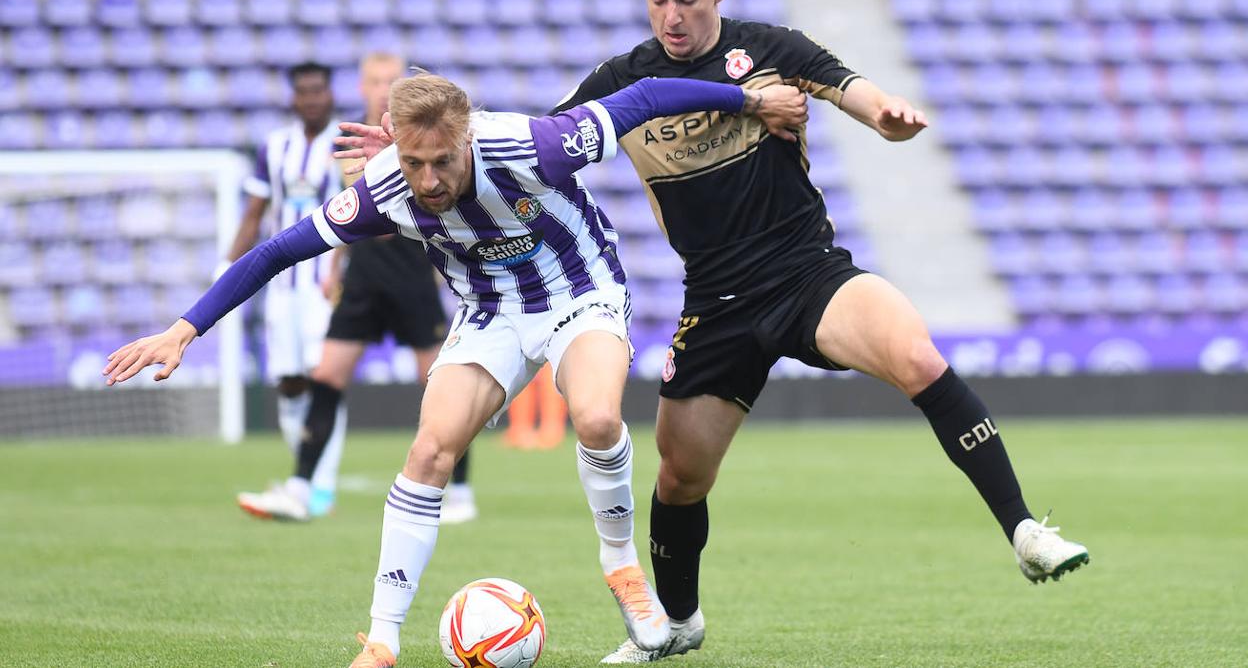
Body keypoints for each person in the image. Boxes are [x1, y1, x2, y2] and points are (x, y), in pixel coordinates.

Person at [102, 72, 807, 668]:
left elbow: (648, 94)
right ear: (393, 140)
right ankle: (381, 640)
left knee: (595, 416)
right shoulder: (385, 187)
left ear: (467, 135)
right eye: (414, 163)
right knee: (429, 450)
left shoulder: (538, 145)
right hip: (490, 313)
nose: (429, 181)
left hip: (580, 292)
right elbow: (276, 251)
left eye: (443, 161)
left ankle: (623, 568)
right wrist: (185, 328)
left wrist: (751, 102)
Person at [545, 0, 1091, 663]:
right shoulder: (623, 81)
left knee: (917, 356)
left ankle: (1025, 531)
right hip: (715, 304)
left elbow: (862, 95)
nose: (671, 17)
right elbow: (536, 146)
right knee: (678, 477)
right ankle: (678, 624)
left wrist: (887, 117)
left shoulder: (771, 48)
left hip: (808, 274)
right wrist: (441, 146)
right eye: (656, 1)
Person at [237, 52, 476, 524]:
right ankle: (302, 486)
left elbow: (396, 213)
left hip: (410, 272)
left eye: (391, 79)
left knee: (441, 382)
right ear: (364, 87)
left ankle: (461, 492)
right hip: (363, 274)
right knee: (325, 377)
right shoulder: (349, 141)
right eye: (374, 81)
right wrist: (336, 264)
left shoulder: (421, 141)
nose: (382, 87)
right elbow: (351, 213)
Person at [222, 61, 349, 522]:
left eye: (319, 90)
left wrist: (340, 270)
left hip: (323, 283)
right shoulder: (274, 147)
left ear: (330, 94)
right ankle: (305, 475)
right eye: (304, 92)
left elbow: (358, 213)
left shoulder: (346, 143)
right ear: (293, 98)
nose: (312, 98)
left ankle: (320, 489)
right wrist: (227, 267)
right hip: (282, 286)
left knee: (324, 381)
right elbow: (255, 213)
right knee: (290, 382)